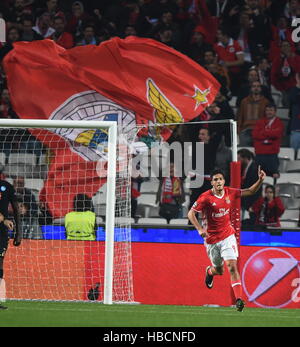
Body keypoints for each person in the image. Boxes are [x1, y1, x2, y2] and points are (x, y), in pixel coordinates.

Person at [187, 167, 266, 312]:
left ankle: (238, 300)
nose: (218, 182)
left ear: (224, 181)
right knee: (219, 270)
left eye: (220, 179)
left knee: (232, 266)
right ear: (212, 182)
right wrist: (199, 229)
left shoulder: (230, 192)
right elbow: (191, 213)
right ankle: (210, 272)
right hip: (211, 240)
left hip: (227, 236)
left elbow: (250, 191)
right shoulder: (205, 197)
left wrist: (260, 180)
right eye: (215, 179)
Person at [0, 179, 21, 310]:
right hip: (3, 224)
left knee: (0, 261)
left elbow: (16, 208)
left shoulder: (6, 186)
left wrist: (19, 232)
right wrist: (3, 220)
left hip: (1, 232)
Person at [252, 103, 284, 179]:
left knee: (273, 176)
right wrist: (270, 133)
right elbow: (255, 134)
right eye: (267, 110)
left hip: (272, 155)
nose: (269, 112)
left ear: (275, 111)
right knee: (257, 177)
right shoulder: (260, 122)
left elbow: (277, 134)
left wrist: (263, 132)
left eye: (271, 110)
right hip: (259, 155)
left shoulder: (279, 123)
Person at [237, 80, 270, 146]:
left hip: (260, 130)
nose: (256, 88)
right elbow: (240, 117)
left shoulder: (265, 102)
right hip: (245, 129)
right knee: (244, 151)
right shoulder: (244, 101)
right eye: (254, 86)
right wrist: (238, 130)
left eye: (258, 86)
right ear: (251, 88)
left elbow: (267, 118)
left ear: (261, 89)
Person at [238, 148, 262, 222]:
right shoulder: (246, 168)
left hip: (252, 202)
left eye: (239, 158)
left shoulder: (254, 168)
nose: (238, 161)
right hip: (246, 200)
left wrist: (252, 205)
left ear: (245, 158)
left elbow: (256, 188)